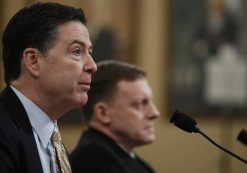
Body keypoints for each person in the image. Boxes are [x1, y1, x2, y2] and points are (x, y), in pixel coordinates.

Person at [0, 2, 96, 173]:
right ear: (33, 61)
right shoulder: (4, 131)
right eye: (76, 51)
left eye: (90, 52)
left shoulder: (53, 140)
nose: (92, 65)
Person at [70, 60, 160, 173]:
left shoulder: (126, 159)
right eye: (139, 104)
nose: (155, 113)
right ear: (103, 113)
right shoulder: (94, 163)